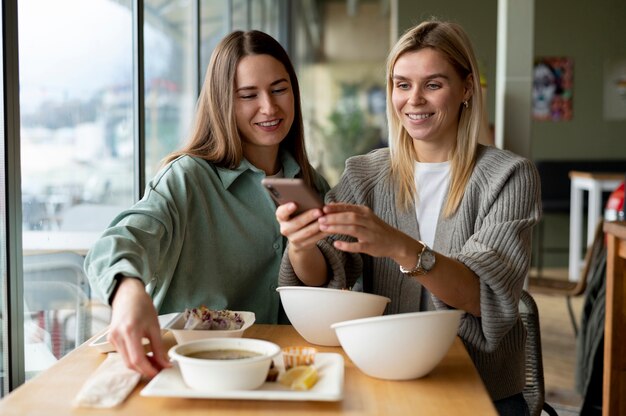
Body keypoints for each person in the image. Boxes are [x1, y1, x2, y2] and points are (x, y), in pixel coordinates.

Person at [276, 20, 540, 415]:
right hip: (384, 375)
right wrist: (300, 244)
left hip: (478, 386)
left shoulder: (509, 176)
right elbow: (325, 274)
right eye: (402, 84)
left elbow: (482, 297)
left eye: (433, 84)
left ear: (467, 88)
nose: (414, 100)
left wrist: (401, 247)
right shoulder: (365, 173)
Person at [84, 30, 329, 378]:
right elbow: (117, 242)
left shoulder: (312, 185)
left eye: (279, 89)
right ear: (222, 101)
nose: (269, 107)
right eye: (248, 95)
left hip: (277, 377)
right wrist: (127, 292)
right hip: (185, 375)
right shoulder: (187, 178)